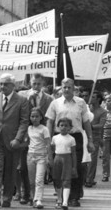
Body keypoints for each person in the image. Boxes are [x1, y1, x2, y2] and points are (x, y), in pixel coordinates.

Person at [46, 78, 94, 207]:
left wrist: (90, 140)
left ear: (74, 88)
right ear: (61, 88)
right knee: (59, 168)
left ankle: (74, 197)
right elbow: (50, 122)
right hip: (58, 137)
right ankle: (61, 197)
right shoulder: (55, 103)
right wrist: (49, 140)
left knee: (76, 167)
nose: (66, 89)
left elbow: (86, 123)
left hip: (75, 137)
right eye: (64, 87)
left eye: (69, 87)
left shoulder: (81, 103)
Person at [0, 73, 29, 208]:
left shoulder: (22, 101)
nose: (2, 86)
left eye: (5, 84)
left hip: (12, 141)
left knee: (10, 170)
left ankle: (7, 198)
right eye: (1, 84)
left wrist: (18, 139)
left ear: (13, 85)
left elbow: (24, 122)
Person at [17, 73, 53, 203]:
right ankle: (23, 193)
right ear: (30, 83)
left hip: (40, 136)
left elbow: (49, 118)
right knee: (22, 167)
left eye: (39, 84)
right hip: (25, 133)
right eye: (34, 84)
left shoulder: (49, 99)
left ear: (43, 84)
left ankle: (35, 195)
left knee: (37, 168)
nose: (36, 86)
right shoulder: (22, 95)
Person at [50, 117, 77, 210]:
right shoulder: (54, 138)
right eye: (61, 125)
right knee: (57, 179)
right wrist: (50, 160)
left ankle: (65, 202)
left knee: (66, 180)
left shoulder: (71, 139)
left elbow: (73, 154)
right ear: (58, 127)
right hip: (57, 158)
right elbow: (52, 150)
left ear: (70, 128)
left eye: (66, 126)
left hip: (67, 159)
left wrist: (74, 167)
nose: (64, 127)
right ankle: (59, 199)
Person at [27, 107, 51, 209]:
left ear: (41, 117)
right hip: (30, 155)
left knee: (39, 179)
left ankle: (39, 199)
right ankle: (33, 198)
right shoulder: (29, 128)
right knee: (32, 181)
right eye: (32, 116)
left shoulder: (44, 129)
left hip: (41, 156)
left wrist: (49, 157)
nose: (34, 118)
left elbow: (48, 144)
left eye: (37, 116)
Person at [85, 91, 107, 187]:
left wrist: (91, 126)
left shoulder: (103, 112)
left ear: (98, 99)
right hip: (84, 136)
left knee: (92, 159)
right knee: (84, 159)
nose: (91, 98)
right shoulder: (86, 109)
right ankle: (85, 178)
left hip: (95, 137)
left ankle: (89, 179)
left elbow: (101, 125)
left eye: (93, 97)